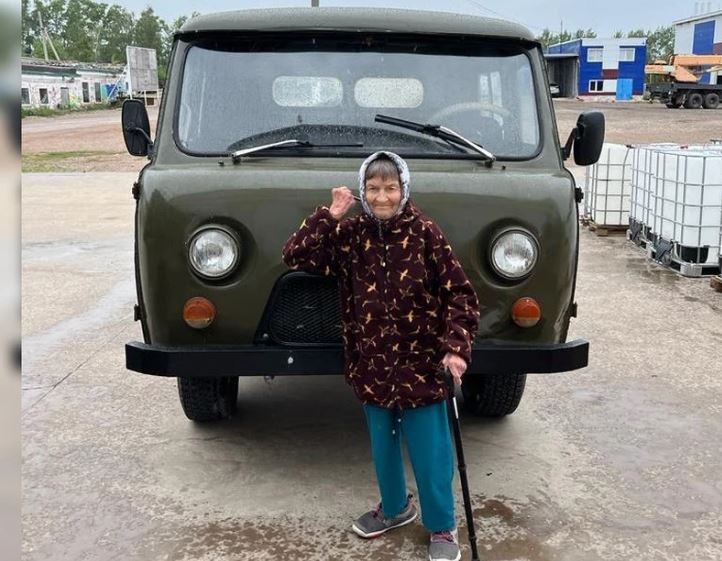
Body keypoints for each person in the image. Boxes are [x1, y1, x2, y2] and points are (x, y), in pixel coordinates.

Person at [282, 151, 480, 561]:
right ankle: (395, 508)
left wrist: (456, 349)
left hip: (422, 367)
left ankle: (442, 526)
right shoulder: (351, 235)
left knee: (431, 453)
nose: (382, 197)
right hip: (371, 364)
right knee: (383, 447)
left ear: (403, 189)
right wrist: (330, 215)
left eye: (390, 188)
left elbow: (461, 295)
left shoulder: (425, 232)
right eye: (373, 188)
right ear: (362, 191)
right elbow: (294, 255)